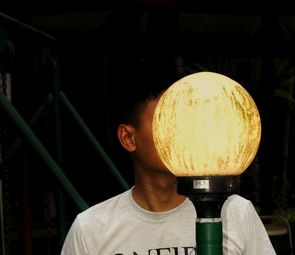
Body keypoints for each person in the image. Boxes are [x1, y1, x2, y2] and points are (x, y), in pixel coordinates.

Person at [60, 56, 276, 255]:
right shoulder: (91, 229)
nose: (180, 131)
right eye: (165, 120)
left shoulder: (236, 214)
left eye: (185, 120)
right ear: (128, 138)